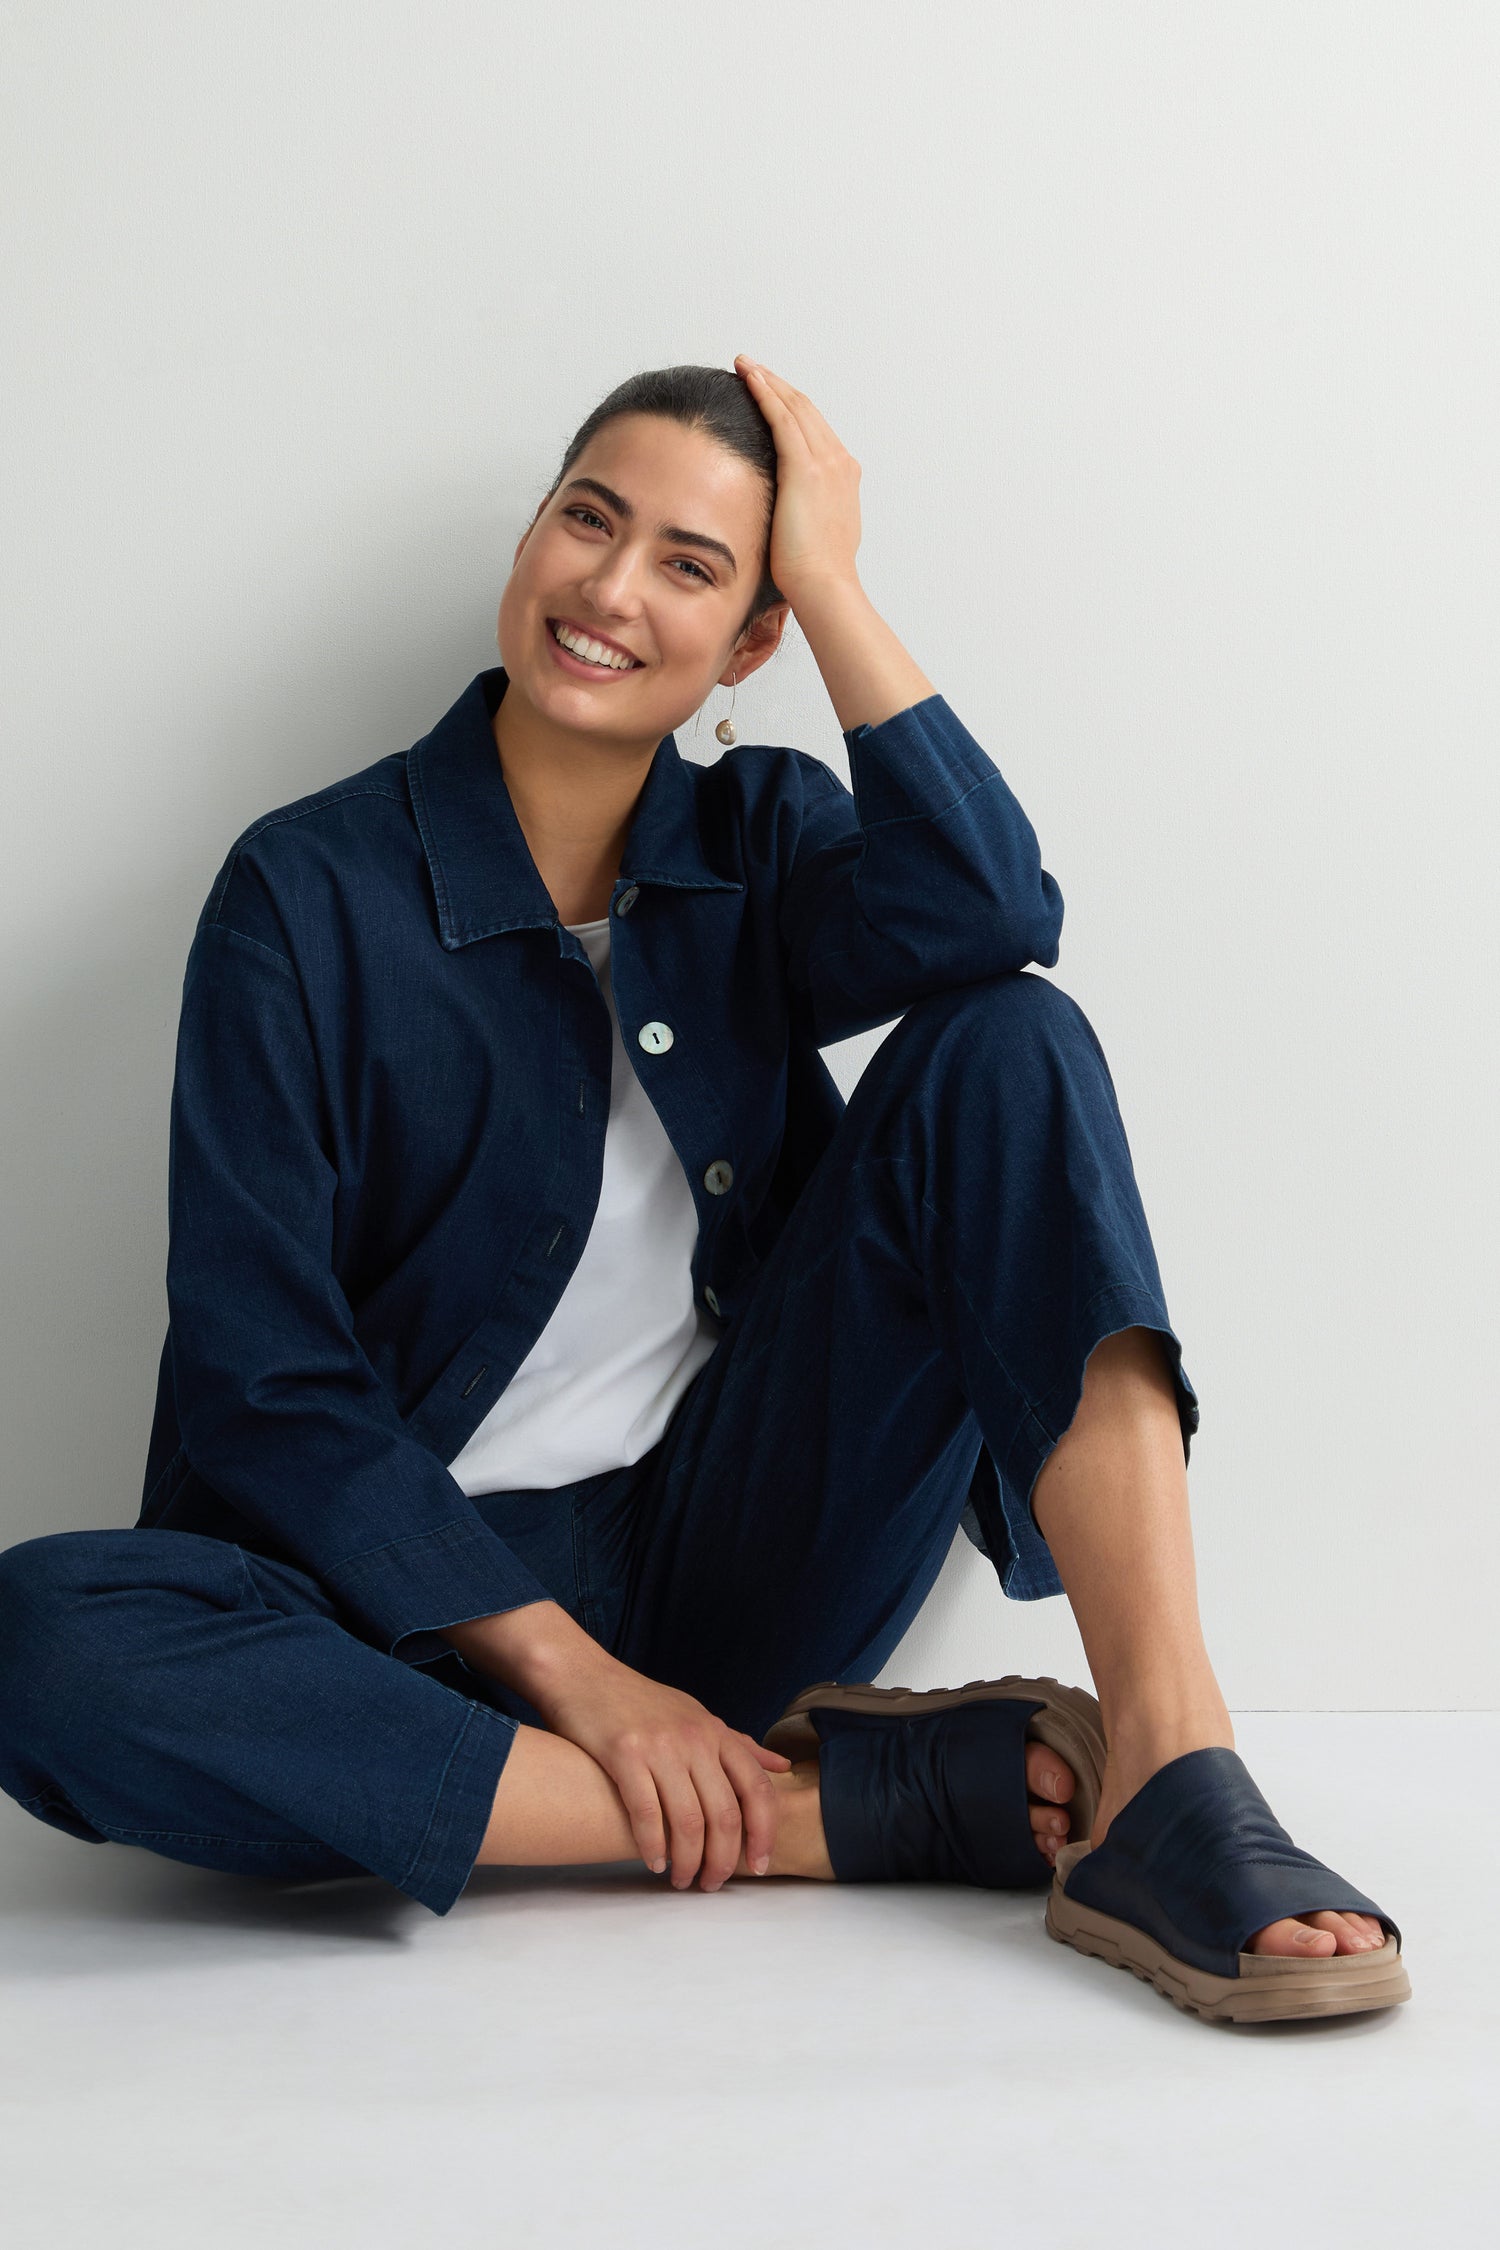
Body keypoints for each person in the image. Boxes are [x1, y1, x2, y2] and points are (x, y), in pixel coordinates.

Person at [0, 359, 1407, 2024]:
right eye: (588, 520)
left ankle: (1172, 1774)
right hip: (383, 1624)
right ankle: (815, 1810)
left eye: (692, 563)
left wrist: (833, 582)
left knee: (1012, 1042)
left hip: (723, 1562)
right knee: (42, 1636)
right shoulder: (303, 892)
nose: (608, 588)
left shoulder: (760, 838)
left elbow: (990, 907)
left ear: (750, 645)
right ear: (530, 538)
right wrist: (591, 1690)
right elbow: (262, 1378)